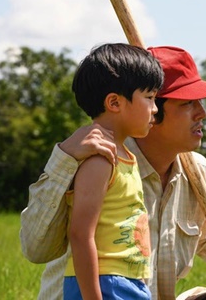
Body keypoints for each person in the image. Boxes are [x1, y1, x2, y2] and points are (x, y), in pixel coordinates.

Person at [20, 46, 206, 300]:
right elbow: (35, 249)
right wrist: (63, 159)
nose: (202, 113)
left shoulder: (198, 172)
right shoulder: (97, 159)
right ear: (153, 110)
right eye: (187, 103)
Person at [62, 43, 164, 299]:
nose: (155, 109)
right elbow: (80, 234)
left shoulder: (126, 156)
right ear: (115, 102)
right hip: (105, 283)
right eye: (150, 98)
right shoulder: (100, 160)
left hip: (127, 281)